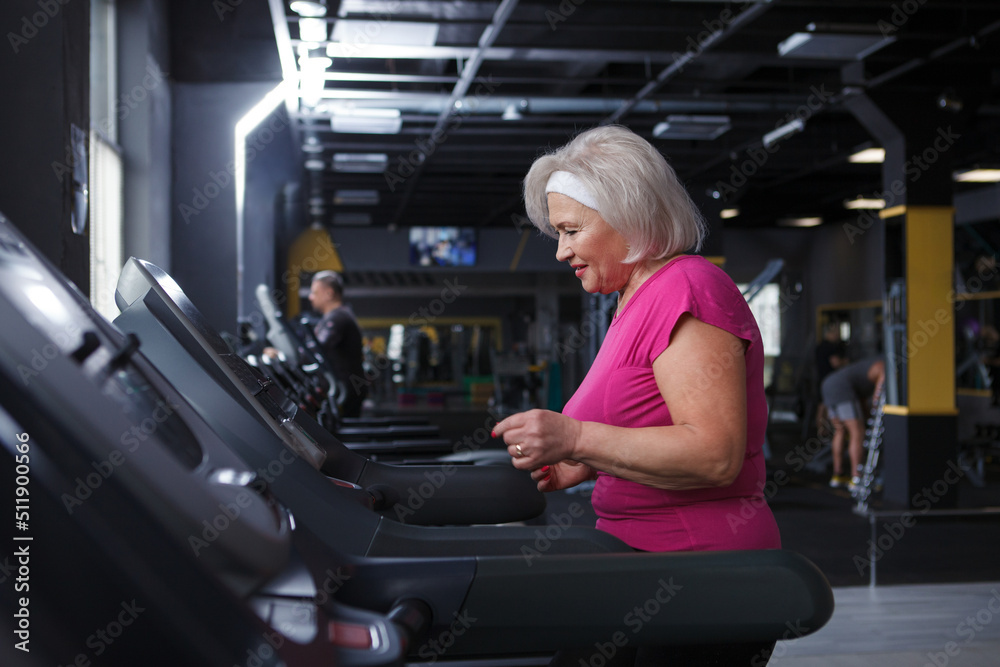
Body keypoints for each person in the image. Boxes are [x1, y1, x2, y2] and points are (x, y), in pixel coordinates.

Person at [308, 270, 367, 418]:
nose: (310, 297)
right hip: (345, 388)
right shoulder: (337, 316)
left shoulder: (338, 318)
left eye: (314, 292)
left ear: (329, 293)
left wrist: (288, 355)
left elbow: (317, 349)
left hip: (344, 391)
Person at [820, 356, 885, 490]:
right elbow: (878, 396)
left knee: (840, 430)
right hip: (842, 389)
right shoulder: (883, 367)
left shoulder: (864, 369)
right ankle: (857, 478)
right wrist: (876, 410)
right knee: (857, 432)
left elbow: (861, 401)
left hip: (828, 385)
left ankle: (838, 475)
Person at [814, 322, 848, 440]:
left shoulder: (820, 346)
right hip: (829, 381)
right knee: (826, 407)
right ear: (831, 333)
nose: (838, 336)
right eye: (837, 333)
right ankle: (827, 433)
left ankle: (822, 432)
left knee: (822, 406)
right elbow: (836, 363)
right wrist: (846, 362)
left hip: (821, 379)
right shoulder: (830, 347)